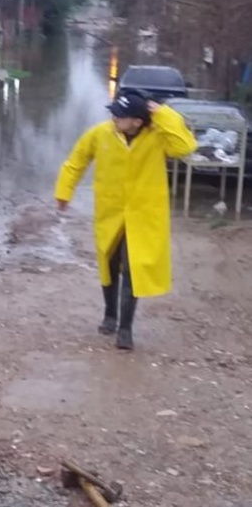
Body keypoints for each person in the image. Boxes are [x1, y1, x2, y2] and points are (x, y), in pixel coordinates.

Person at [54, 89, 197, 350]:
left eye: (120, 116)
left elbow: (186, 146)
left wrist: (162, 112)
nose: (114, 119)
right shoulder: (101, 134)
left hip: (143, 214)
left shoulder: (157, 137)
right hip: (110, 211)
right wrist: (64, 191)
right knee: (109, 264)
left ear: (137, 122)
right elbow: (76, 161)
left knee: (132, 268)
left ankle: (125, 328)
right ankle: (110, 314)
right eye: (114, 114)